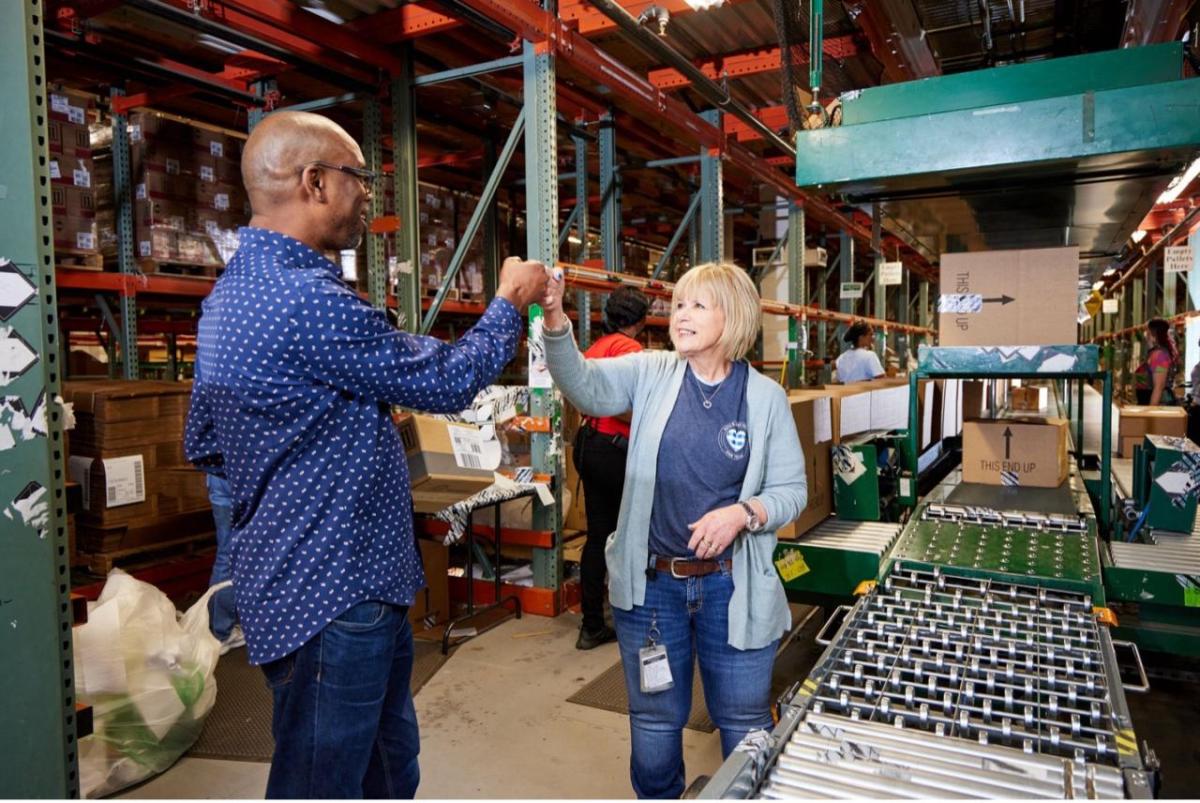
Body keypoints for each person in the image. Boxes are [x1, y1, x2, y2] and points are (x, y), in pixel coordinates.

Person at [183, 110, 548, 799]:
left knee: (386, 769)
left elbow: (206, 441)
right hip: (332, 590)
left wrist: (321, 438)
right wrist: (509, 302)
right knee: (321, 783)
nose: (366, 199)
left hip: (333, 583)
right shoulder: (303, 299)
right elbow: (446, 380)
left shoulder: (234, 295)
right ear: (314, 181)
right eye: (359, 181)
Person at [540, 262, 807, 799]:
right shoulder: (651, 371)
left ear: (732, 318)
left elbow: (791, 490)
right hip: (654, 588)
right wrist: (553, 319)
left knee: (744, 722)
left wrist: (743, 513)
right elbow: (587, 390)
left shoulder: (764, 399)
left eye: (697, 306)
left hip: (732, 587)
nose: (680, 315)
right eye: (678, 304)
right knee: (656, 725)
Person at [574, 286, 650, 650]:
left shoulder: (595, 349)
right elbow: (620, 405)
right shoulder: (630, 350)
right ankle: (635, 616)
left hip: (587, 444)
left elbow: (581, 395)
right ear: (641, 320)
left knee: (597, 536)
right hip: (613, 450)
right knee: (632, 534)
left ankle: (591, 624)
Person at [204, 473, 242, 654]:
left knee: (225, 555)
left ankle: (216, 628)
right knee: (231, 557)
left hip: (218, 484)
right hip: (240, 486)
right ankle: (222, 633)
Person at [1135, 317, 1179, 405]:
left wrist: (1152, 414)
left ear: (1153, 334)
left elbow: (1158, 387)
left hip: (1157, 405)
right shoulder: (1154, 353)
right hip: (1148, 402)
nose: (1145, 334)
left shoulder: (1159, 356)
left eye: (1146, 330)